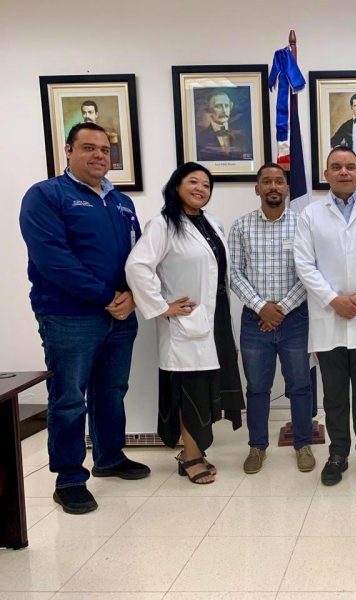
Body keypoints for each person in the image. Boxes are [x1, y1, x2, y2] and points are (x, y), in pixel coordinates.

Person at [19, 122, 149, 515]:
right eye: (89, 147)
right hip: (69, 315)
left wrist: (133, 296)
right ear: (68, 151)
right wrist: (107, 296)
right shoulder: (47, 195)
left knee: (112, 390)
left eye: (105, 150)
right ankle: (70, 478)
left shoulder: (121, 203)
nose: (98, 155)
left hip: (120, 315)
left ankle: (109, 456)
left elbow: (137, 257)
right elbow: (54, 260)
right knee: (69, 398)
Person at [125, 162, 244, 484]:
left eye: (206, 185)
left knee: (207, 386)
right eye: (193, 182)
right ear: (176, 186)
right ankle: (190, 455)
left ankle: (194, 451)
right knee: (190, 389)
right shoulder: (163, 225)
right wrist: (161, 306)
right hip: (185, 321)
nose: (200, 189)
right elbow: (137, 266)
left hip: (215, 316)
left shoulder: (212, 223)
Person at [294, 145, 356, 486]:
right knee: (335, 396)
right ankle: (338, 453)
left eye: (350, 166)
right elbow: (304, 263)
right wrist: (333, 299)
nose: (344, 172)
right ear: (326, 174)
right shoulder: (311, 214)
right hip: (329, 317)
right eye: (336, 167)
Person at [228, 162, 315, 474]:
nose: (273, 187)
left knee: (300, 385)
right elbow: (234, 273)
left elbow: (310, 272)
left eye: (279, 181)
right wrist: (261, 307)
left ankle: (303, 444)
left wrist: (281, 309)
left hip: (295, 319)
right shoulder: (241, 226)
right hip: (255, 321)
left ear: (288, 188)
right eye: (267, 181)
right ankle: (257, 447)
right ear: (257, 188)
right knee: (257, 387)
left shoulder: (303, 225)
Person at [196, 89, 253, 161]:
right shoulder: (201, 138)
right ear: (210, 110)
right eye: (218, 106)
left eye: (226, 106)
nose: (224, 110)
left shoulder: (242, 136)